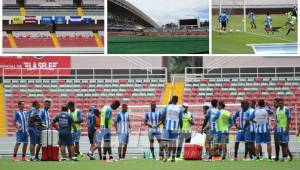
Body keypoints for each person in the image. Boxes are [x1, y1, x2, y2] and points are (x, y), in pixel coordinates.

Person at [161, 96, 182, 162]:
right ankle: (173, 157)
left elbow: (162, 116)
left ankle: (166, 156)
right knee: (174, 142)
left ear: (171, 100)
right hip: (175, 128)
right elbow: (181, 120)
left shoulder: (167, 107)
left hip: (166, 127)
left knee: (164, 142)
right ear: (177, 101)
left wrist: (164, 124)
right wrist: (181, 129)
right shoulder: (179, 109)